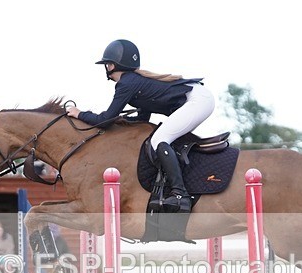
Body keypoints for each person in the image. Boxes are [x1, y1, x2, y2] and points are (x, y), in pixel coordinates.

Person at [66, 39, 215, 214]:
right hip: (198, 98)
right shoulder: (133, 81)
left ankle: (179, 194)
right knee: (161, 138)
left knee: (159, 140)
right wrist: (123, 122)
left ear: (112, 65)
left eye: (107, 64)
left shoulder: (126, 83)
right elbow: (143, 118)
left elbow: (105, 119)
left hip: (198, 100)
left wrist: (79, 114)